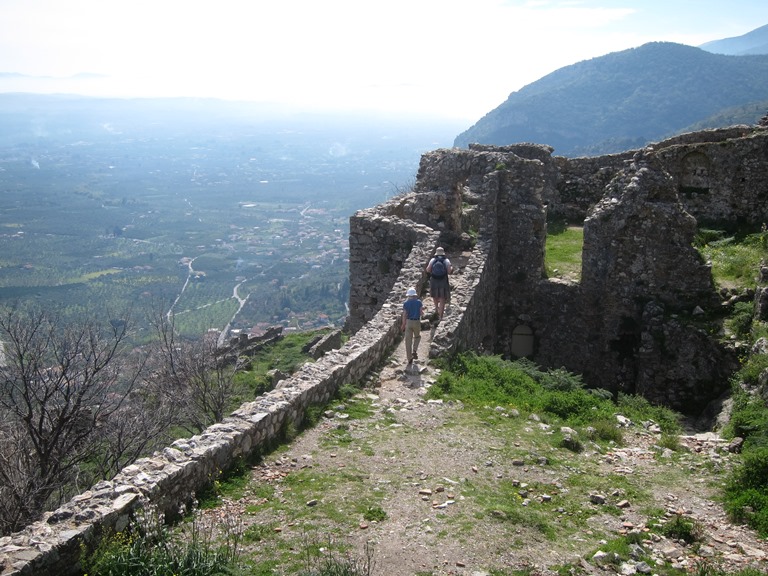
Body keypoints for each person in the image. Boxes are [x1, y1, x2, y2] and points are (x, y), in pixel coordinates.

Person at [426, 246, 453, 321]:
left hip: (434, 280)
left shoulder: (433, 260)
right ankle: (440, 316)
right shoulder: (446, 260)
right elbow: (449, 271)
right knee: (442, 297)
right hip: (443, 280)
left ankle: (436, 309)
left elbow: (428, 270)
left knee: (435, 295)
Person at [401, 287, 423, 365]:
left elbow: (404, 315)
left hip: (408, 322)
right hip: (416, 321)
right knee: (417, 337)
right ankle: (414, 350)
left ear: (408, 296)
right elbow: (421, 313)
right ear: (415, 295)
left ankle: (409, 358)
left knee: (408, 341)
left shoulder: (406, 304)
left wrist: (403, 325)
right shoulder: (419, 302)